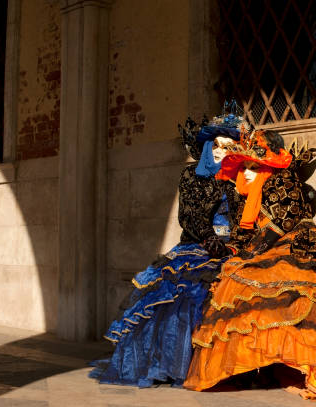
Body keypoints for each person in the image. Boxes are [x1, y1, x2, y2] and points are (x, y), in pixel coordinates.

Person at [184, 130, 316, 401]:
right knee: (235, 280)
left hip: (295, 244)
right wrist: (238, 251)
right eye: (244, 166)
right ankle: (250, 366)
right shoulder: (248, 194)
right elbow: (244, 233)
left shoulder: (282, 180)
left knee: (294, 290)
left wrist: (254, 250)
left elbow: (286, 218)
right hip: (265, 247)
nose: (246, 173)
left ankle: (301, 365)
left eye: (253, 166)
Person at [89, 109, 249, 387]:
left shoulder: (236, 180)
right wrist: (210, 239)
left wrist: (238, 242)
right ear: (208, 148)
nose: (224, 151)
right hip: (199, 246)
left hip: (231, 248)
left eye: (230, 146)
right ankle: (179, 364)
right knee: (187, 299)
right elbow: (188, 215)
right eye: (219, 145)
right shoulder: (192, 176)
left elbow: (241, 216)